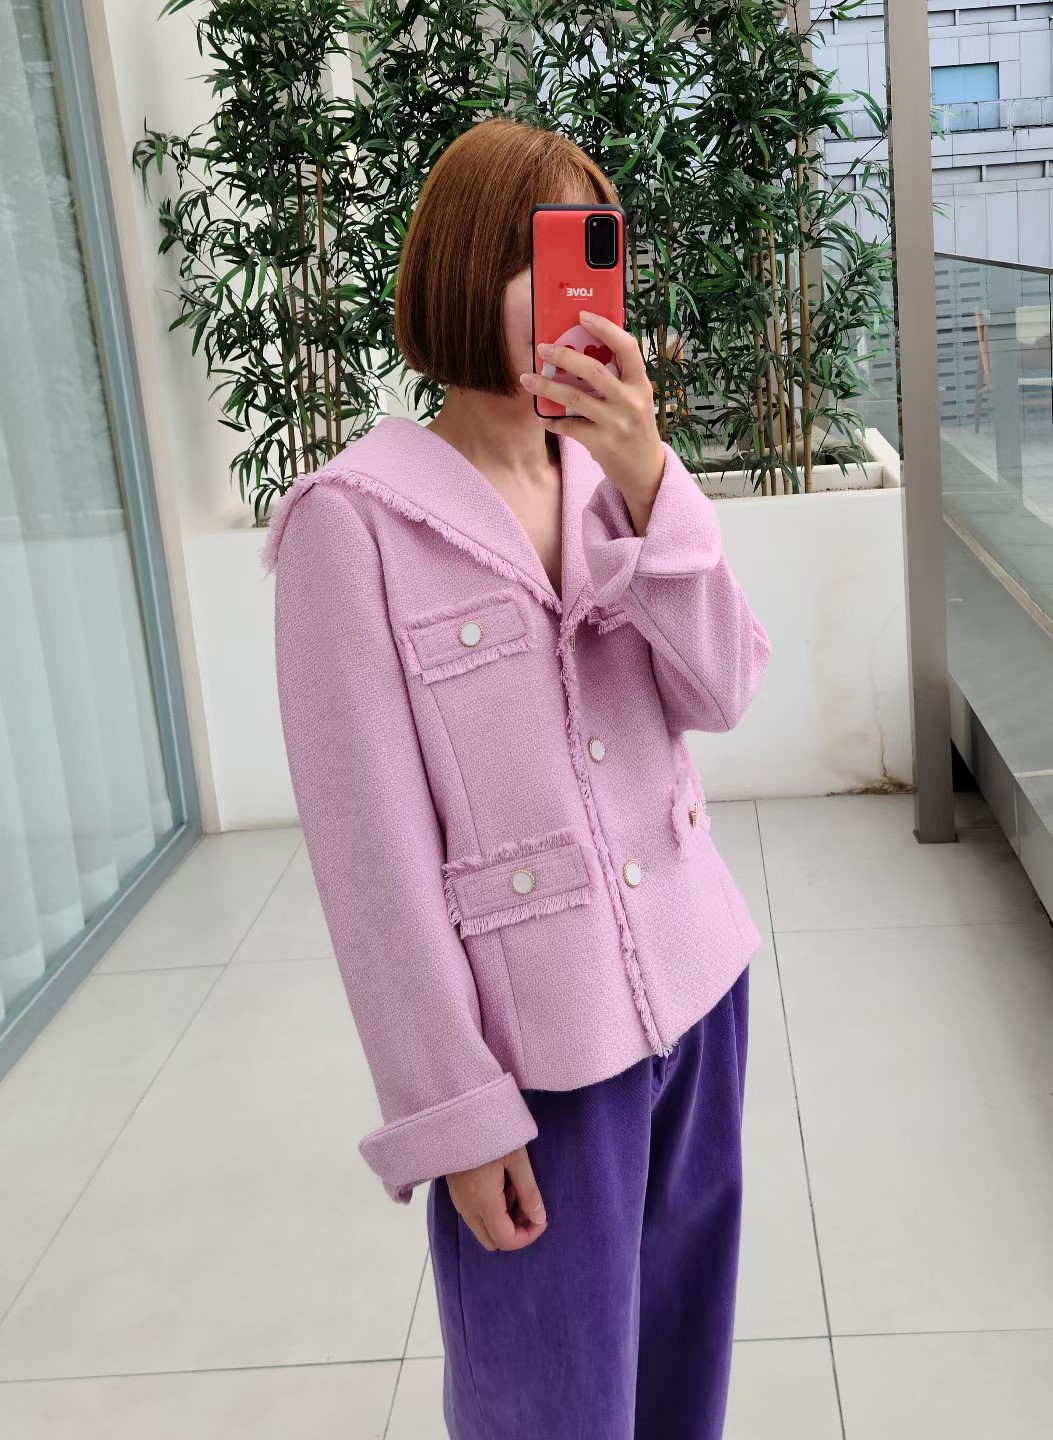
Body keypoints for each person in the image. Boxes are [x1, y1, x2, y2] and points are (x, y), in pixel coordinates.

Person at [261, 115, 771, 1440]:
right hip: (540, 1058)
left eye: (590, 259)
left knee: (679, 1387)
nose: (572, 299)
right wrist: (455, 1111)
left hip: (700, 998)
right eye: (538, 263)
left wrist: (652, 482)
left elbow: (721, 690)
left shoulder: (614, 478)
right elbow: (370, 863)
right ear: (458, 270)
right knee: (546, 1409)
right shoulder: (352, 525)